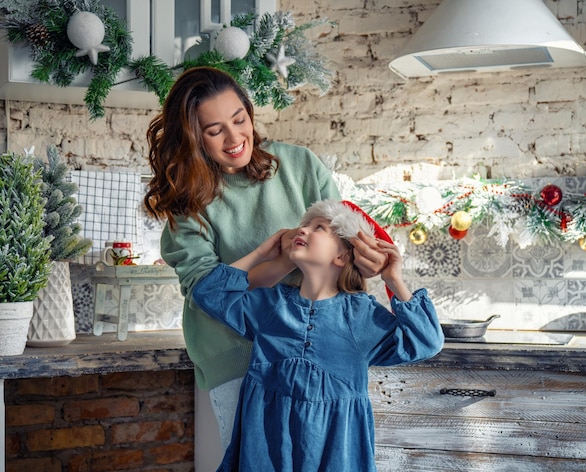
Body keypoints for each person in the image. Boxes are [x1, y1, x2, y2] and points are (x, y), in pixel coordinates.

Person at [143, 66, 388, 459]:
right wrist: (279, 261)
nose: (235, 137)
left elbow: (346, 244)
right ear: (193, 137)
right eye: (214, 130)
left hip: (317, 353)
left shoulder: (301, 165)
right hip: (237, 355)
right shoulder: (188, 204)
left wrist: (367, 262)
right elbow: (209, 292)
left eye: (239, 119)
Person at [192, 199, 444, 472]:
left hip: (335, 448)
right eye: (304, 226)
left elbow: (427, 341)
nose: (303, 231)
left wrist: (393, 279)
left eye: (319, 228)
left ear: (343, 256)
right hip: (265, 443)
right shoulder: (271, 306)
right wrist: (262, 254)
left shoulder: (360, 315)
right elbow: (209, 294)